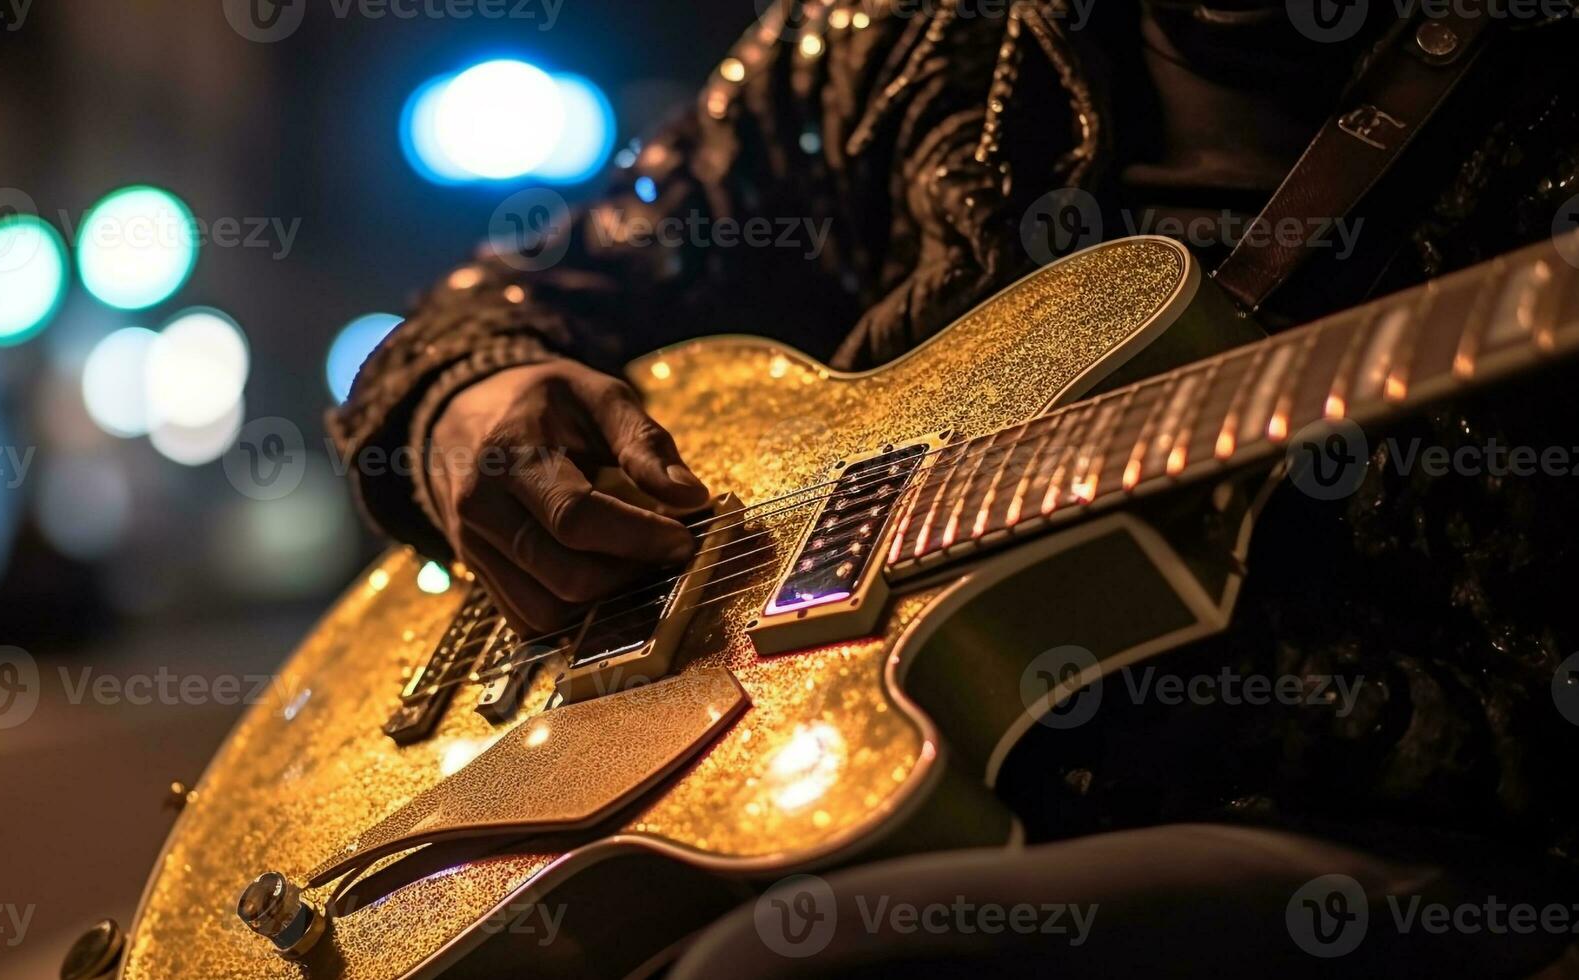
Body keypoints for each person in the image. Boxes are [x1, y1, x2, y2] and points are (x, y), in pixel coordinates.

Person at [330, 2, 1579, 972]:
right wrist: (461, 393)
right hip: (855, 777)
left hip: (1412, 826)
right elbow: (529, 285)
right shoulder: (914, 34)